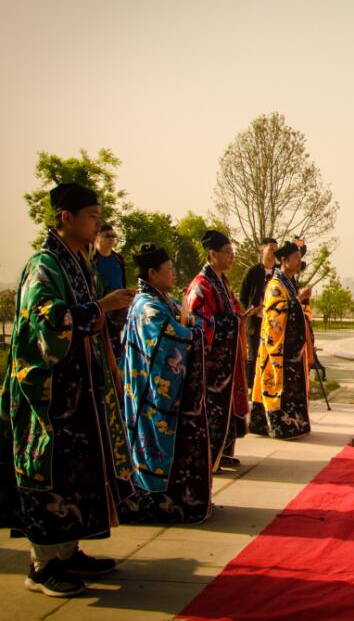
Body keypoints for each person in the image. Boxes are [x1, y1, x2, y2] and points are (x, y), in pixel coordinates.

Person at [0, 183, 136, 597]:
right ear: (66, 217)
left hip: (79, 394)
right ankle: (42, 566)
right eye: (92, 215)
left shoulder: (79, 262)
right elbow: (49, 324)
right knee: (47, 473)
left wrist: (100, 313)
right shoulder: (44, 265)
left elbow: (85, 321)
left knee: (76, 472)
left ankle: (68, 551)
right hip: (47, 397)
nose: (98, 222)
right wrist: (102, 307)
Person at [117, 243, 212, 524]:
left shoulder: (163, 300)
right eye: (168, 270)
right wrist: (193, 332)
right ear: (152, 272)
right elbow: (172, 337)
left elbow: (187, 322)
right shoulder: (147, 306)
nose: (173, 274)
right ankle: (153, 502)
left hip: (162, 391)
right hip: (150, 393)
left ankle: (174, 498)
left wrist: (192, 327)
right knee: (153, 443)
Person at [186, 230, 248, 470]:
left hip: (226, 364)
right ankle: (210, 459)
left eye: (233, 253)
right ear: (212, 254)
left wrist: (238, 316)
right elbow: (200, 323)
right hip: (212, 366)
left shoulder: (221, 281)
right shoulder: (201, 285)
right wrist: (231, 322)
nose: (231, 257)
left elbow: (230, 310)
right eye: (227, 253)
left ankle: (221, 453)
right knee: (212, 410)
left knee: (226, 408)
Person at [251, 241, 314, 439]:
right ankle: (278, 426)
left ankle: (293, 425)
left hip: (291, 350)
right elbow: (275, 318)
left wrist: (299, 302)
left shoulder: (287, 282)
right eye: (295, 258)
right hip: (278, 350)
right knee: (278, 387)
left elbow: (293, 308)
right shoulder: (276, 286)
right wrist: (298, 300)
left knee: (291, 389)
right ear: (284, 261)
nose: (299, 262)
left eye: (299, 258)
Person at [240, 238, 278, 433]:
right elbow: (243, 297)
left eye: (276, 251)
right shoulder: (253, 272)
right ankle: (253, 396)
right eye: (271, 250)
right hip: (256, 323)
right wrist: (251, 310)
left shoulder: (279, 274)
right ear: (262, 251)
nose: (273, 254)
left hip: (274, 327)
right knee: (254, 358)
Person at [93, 222, 128, 357]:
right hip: (102, 309)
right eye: (107, 236)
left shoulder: (118, 259)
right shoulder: (92, 259)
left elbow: (122, 282)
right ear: (97, 237)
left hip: (120, 310)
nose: (111, 239)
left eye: (113, 236)